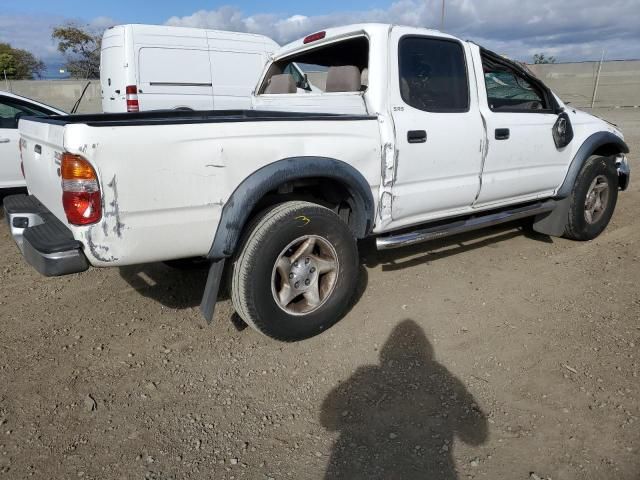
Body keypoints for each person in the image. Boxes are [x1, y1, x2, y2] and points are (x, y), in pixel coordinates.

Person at [321, 319, 488, 479]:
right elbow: (477, 435)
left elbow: (328, 420)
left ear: (385, 353)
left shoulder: (368, 378)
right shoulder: (440, 379)